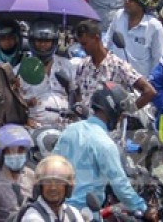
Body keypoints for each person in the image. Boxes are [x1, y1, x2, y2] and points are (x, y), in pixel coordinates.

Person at [54, 83, 152, 216]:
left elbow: (52, 165)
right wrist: (144, 208)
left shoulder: (70, 130)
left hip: (59, 210)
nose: (120, 119)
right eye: (121, 115)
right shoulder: (105, 144)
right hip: (85, 214)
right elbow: (120, 186)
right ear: (113, 110)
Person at [73, 19, 156, 109]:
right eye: (81, 44)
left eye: (85, 44)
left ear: (96, 39)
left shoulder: (118, 66)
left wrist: (127, 113)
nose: (82, 48)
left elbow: (149, 91)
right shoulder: (82, 66)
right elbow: (77, 93)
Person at [105, 0, 163, 78]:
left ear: (142, 4)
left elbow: (157, 62)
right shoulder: (119, 15)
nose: (127, 2)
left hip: (139, 87)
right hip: (114, 80)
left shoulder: (154, 27)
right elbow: (107, 43)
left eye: (132, 0)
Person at [20, 20, 76, 127]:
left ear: (54, 42)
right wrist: (25, 118)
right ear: (32, 41)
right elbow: (15, 105)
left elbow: (76, 95)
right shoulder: (21, 70)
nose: (42, 45)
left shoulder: (66, 65)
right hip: (34, 127)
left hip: (66, 126)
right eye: (39, 41)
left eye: (47, 41)